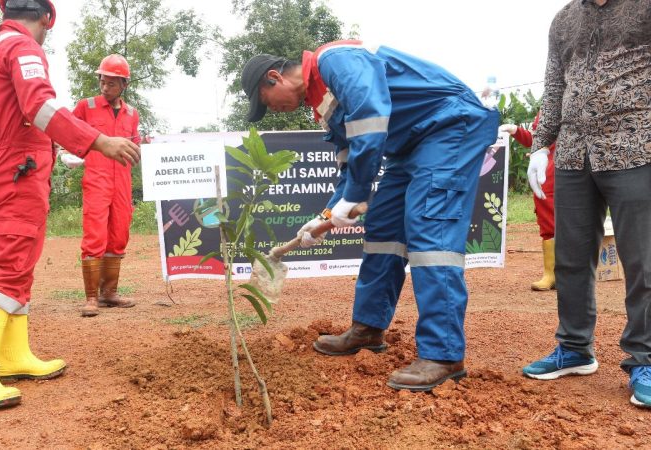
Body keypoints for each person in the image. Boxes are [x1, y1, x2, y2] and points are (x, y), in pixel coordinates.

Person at [241, 40, 499, 391]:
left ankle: (443, 354)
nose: (274, 110)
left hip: (448, 126)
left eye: (266, 102)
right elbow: (349, 167)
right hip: (408, 146)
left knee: (429, 233)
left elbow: (371, 120)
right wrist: (327, 214)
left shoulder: (334, 61)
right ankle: (368, 328)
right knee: (383, 234)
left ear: (274, 78)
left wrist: (356, 195)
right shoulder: (324, 105)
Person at [0, 0, 141, 409]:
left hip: (2, 166)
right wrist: (100, 141)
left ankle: (12, 355)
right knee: (8, 264)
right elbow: (40, 106)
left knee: (19, 261)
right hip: (17, 169)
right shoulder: (22, 48)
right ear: (45, 18)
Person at [521, 0, 651, 409]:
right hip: (576, 154)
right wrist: (541, 146)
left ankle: (645, 359)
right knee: (571, 257)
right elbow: (555, 84)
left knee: (643, 260)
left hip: (637, 147)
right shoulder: (564, 19)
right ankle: (575, 347)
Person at [71, 54, 140, 317]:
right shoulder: (85, 107)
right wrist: (71, 154)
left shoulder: (132, 114)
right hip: (96, 180)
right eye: (102, 81)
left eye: (111, 83)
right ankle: (91, 297)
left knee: (119, 234)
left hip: (122, 181)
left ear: (124, 84)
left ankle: (109, 293)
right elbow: (69, 134)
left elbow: (134, 144)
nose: (105, 87)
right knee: (94, 236)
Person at [499, 113, 556, 291]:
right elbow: (535, 140)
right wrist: (514, 130)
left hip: (574, 168)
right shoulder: (546, 109)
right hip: (545, 172)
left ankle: (572, 274)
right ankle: (551, 274)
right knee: (547, 219)